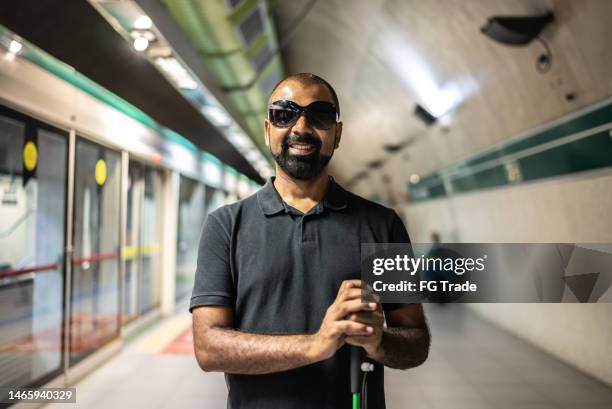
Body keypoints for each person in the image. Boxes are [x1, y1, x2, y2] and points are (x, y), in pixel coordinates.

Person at [190, 73, 430, 409]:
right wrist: (315, 345)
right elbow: (208, 347)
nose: (301, 128)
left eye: (319, 115)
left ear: (338, 133)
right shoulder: (226, 226)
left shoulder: (382, 226)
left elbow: (416, 342)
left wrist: (380, 342)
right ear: (267, 130)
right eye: (284, 114)